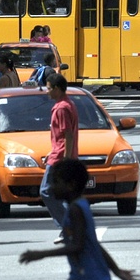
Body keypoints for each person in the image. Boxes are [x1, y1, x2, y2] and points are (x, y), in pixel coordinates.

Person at [19, 159, 140, 280]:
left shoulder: (76, 210)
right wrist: (116, 270)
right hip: (85, 278)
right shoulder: (81, 205)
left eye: (56, 182)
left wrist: (41, 254)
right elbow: (94, 244)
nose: (51, 186)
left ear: (71, 185)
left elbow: (77, 246)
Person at [41, 73, 79, 241]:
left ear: (56, 89)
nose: (46, 92)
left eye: (48, 88)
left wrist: (65, 159)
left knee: (46, 191)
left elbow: (68, 135)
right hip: (58, 154)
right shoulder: (67, 104)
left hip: (60, 159)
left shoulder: (62, 108)